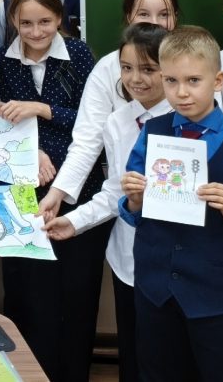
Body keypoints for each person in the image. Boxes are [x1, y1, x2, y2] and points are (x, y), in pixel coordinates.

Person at [121, 25, 223, 382]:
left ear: (218, 81)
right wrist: (134, 201)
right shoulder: (152, 133)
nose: (181, 92)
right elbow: (134, 213)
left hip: (220, 303)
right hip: (156, 295)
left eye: (194, 81)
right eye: (171, 81)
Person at [43, 22, 170, 382]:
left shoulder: (191, 120)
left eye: (148, 69)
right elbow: (115, 191)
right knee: (133, 354)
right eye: (127, 68)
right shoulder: (119, 122)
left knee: (170, 358)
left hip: (177, 262)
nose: (136, 79)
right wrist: (74, 221)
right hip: (128, 258)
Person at [0, 0, 99, 382]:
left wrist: (40, 109)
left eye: (45, 22)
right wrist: (31, 149)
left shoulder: (80, 54)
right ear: (13, 22)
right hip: (19, 188)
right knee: (27, 293)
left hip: (78, 189)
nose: (36, 32)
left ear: (59, 18)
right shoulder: (1, 61)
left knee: (77, 291)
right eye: (26, 24)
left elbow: (93, 121)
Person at [39, 0, 180, 220]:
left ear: (175, 18)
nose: (154, 23)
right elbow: (87, 140)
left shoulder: (192, 67)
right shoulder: (109, 71)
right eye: (143, 14)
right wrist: (57, 192)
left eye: (164, 15)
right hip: (124, 207)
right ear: (128, 17)